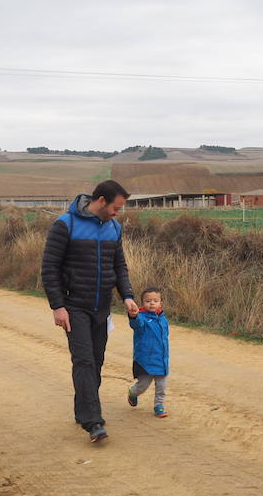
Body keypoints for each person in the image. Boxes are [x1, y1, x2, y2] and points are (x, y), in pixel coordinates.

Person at [41, 180, 138, 443]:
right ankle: (93, 421)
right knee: (83, 361)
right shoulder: (66, 224)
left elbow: (119, 266)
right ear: (102, 201)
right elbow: (49, 268)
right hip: (74, 306)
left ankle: (82, 409)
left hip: (101, 307)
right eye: (117, 207)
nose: (119, 213)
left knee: (96, 361)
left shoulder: (114, 227)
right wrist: (58, 306)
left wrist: (127, 296)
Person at [127, 287, 170, 417]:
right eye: (148, 301)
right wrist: (133, 316)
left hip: (161, 360)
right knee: (142, 386)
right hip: (145, 360)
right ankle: (132, 393)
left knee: (161, 386)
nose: (152, 303)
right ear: (142, 304)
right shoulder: (142, 319)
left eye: (155, 301)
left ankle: (159, 405)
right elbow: (136, 324)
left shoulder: (163, 319)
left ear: (160, 303)